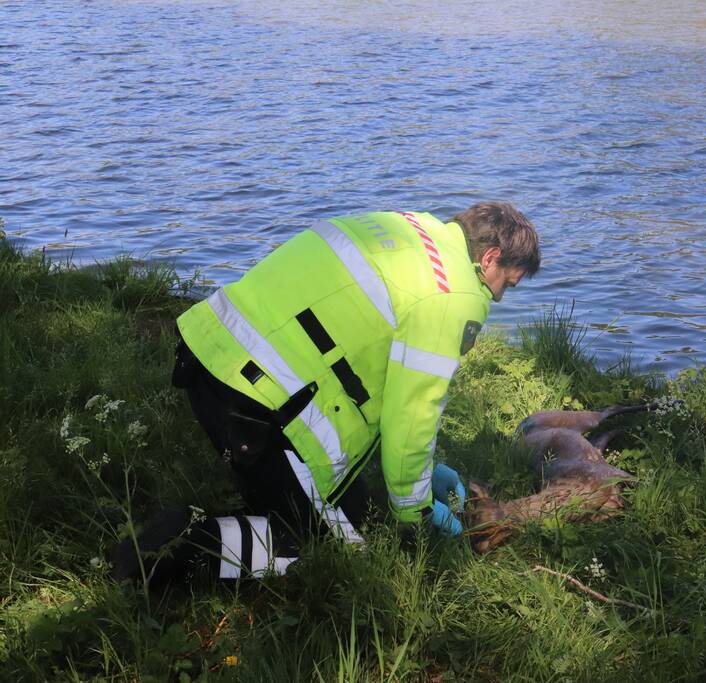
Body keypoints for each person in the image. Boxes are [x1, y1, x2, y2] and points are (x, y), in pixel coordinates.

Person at [113, 203, 540, 583]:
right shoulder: (456, 295)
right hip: (255, 402)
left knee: (351, 507)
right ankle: (173, 547)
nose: (499, 297)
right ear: (490, 258)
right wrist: (418, 510)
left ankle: (260, 499)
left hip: (211, 354)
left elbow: (367, 371)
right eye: (507, 284)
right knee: (338, 556)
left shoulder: (409, 229)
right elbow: (412, 416)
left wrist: (426, 471)